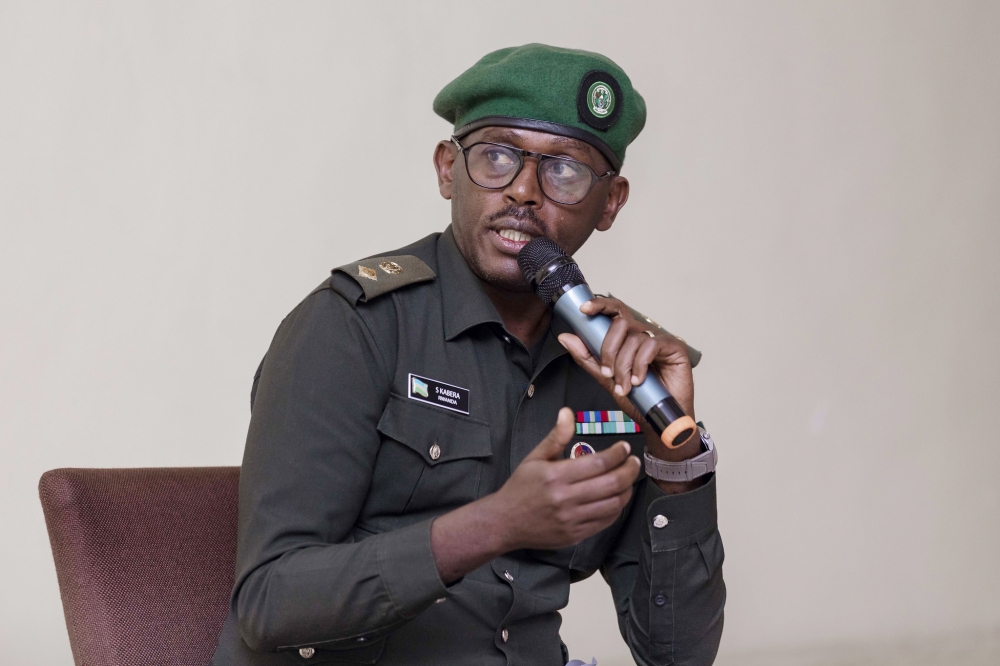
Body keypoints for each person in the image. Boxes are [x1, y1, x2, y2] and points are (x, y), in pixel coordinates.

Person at [211, 43, 725, 666]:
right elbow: (270, 602)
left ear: (611, 201)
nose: (524, 192)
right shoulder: (351, 327)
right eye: (498, 156)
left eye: (564, 170)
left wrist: (678, 457)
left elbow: (676, 654)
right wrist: (497, 523)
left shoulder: (610, 367)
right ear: (447, 170)